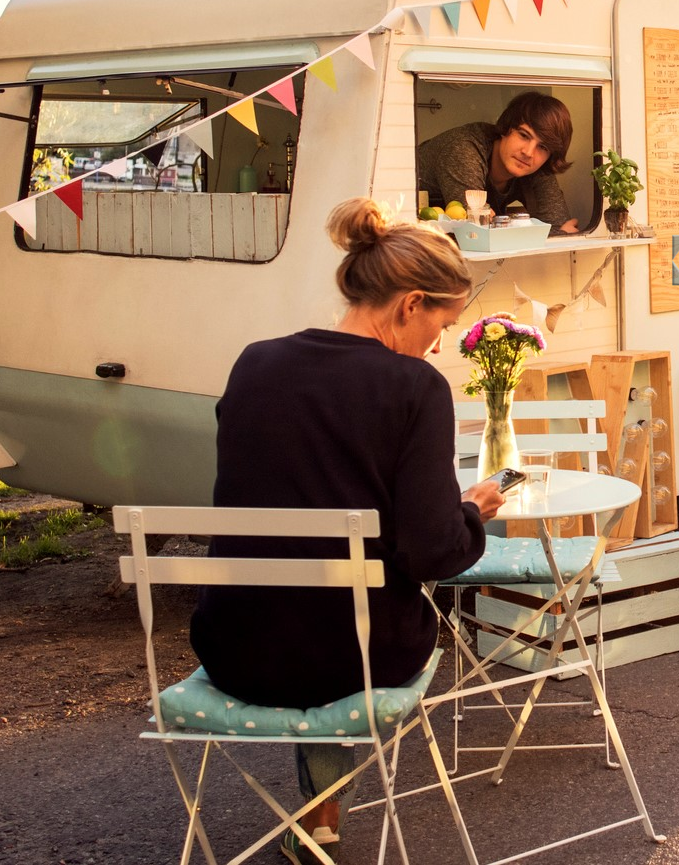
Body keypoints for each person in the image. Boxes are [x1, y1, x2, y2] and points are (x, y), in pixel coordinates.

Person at [188, 198, 507, 859]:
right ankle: (319, 820)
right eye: (442, 323)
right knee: (354, 616)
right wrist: (470, 513)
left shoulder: (254, 362)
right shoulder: (414, 387)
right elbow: (430, 552)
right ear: (409, 303)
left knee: (321, 603)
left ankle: (318, 817)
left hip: (235, 649)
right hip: (358, 657)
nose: (440, 342)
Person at [418, 92, 583, 232]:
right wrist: (554, 234)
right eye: (524, 136)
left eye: (543, 147)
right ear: (506, 128)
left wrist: (556, 233)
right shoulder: (463, 149)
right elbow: (478, 231)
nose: (528, 152)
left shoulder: (536, 166)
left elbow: (560, 226)